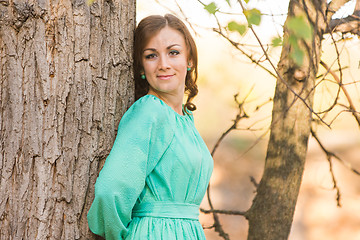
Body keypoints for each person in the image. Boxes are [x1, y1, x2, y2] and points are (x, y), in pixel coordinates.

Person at [87, 14, 213, 240]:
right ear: (142, 67)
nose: (164, 64)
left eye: (173, 52)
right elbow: (111, 191)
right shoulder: (149, 112)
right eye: (151, 55)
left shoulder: (184, 120)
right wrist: (118, 236)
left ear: (189, 59)